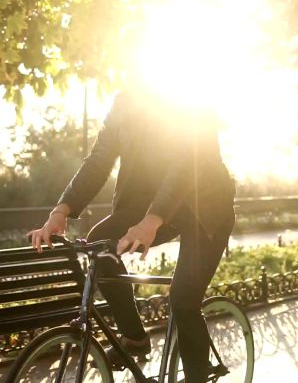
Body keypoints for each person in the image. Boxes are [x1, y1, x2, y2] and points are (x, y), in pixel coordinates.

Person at [27, 81, 235, 382]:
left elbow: (184, 167)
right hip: (154, 206)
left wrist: (152, 220)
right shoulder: (124, 104)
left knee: (183, 300)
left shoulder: (190, 99)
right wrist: (61, 211)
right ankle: (134, 338)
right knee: (100, 244)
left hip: (205, 210)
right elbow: (98, 161)